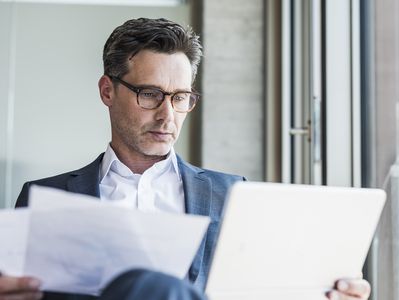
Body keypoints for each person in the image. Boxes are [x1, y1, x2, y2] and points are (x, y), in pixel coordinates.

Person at [1, 18, 371, 300]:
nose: (168, 115)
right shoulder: (43, 197)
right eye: (150, 94)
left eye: (180, 98)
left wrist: (328, 291)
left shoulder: (233, 194)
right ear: (107, 91)